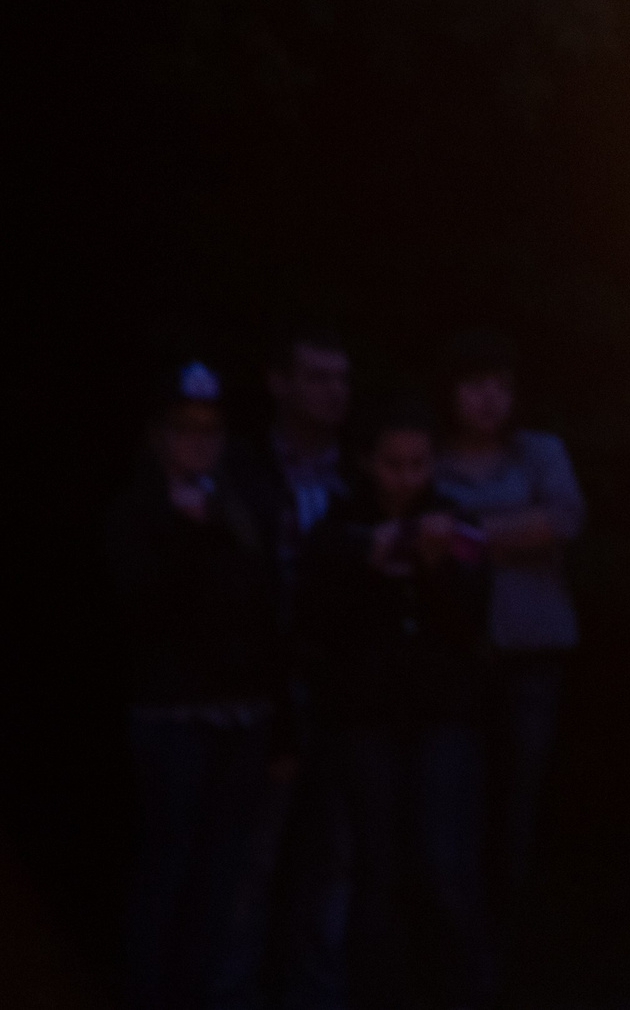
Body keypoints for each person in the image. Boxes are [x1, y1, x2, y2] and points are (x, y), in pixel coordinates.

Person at [303, 411, 496, 1009]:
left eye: (418, 464)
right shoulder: (340, 528)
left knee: (445, 869)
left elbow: (474, 621)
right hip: (367, 724)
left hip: (442, 721)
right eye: (394, 464)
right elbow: (319, 620)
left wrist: (437, 568)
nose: (406, 477)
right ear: (369, 462)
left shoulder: (457, 524)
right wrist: (367, 559)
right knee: (375, 873)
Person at [107, 363, 285, 1010]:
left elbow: (269, 610)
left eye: (212, 429)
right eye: (186, 427)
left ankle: (206, 996)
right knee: (168, 869)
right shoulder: (136, 513)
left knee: (223, 875)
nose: (200, 440)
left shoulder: (245, 509)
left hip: (244, 714)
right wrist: (184, 531)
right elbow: (138, 609)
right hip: (171, 718)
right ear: (159, 435)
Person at [430, 332, 584, 942]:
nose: (490, 400)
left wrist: (461, 533)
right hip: (453, 656)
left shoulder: (539, 452)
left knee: (518, 802)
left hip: (533, 653)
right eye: (475, 386)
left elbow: (563, 519)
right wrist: (515, 527)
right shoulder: (429, 458)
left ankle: (513, 936)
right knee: (454, 802)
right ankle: (457, 942)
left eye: (501, 386)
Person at [225, 327, 355, 1010]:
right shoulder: (244, 473)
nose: (333, 390)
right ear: (279, 382)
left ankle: (314, 997)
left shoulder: (357, 477)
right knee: (253, 859)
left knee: (330, 860)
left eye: (340, 378)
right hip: (265, 693)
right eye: (316, 376)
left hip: (336, 694)